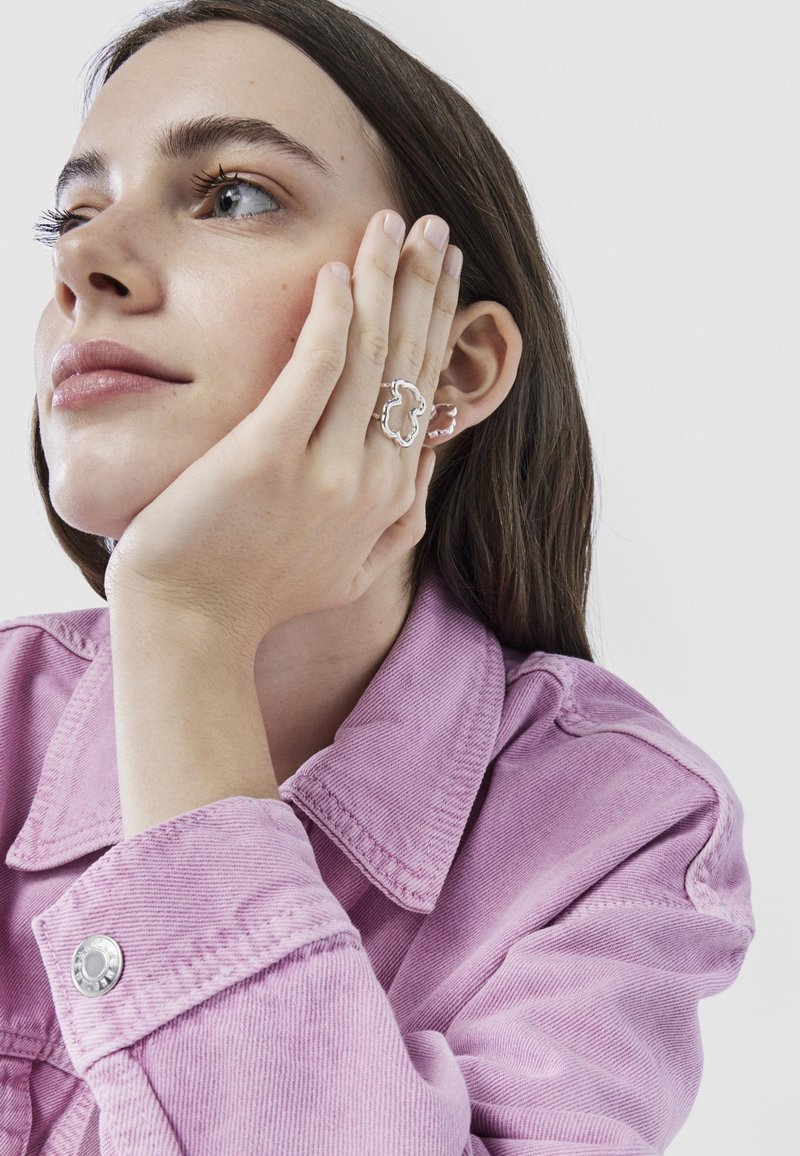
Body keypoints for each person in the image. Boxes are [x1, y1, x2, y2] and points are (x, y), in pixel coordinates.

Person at [0, 1, 753, 1152]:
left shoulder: (623, 836)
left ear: (449, 362)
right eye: (72, 214)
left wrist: (186, 626)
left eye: (231, 194)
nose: (84, 266)